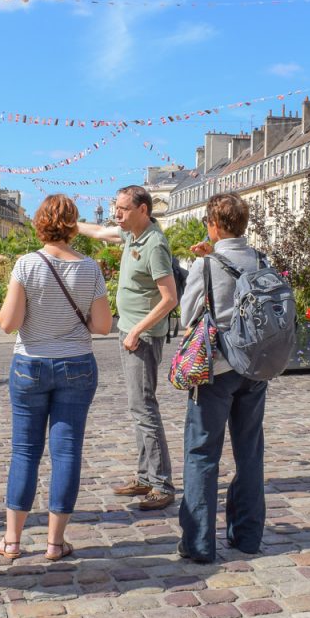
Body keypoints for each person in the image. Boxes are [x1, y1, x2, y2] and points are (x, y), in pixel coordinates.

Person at [0, 195, 112, 561]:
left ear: (40, 223)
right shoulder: (90, 268)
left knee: (25, 451)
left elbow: (10, 322)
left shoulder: (27, 265)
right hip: (76, 364)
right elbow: (104, 326)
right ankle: (55, 543)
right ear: (74, 225)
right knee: (67, 451)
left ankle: (12, 541)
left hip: (29, 364)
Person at [176, 193, 269, 564]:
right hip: (255, 368)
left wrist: (200, 263)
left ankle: (199, 541)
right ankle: (247, 535)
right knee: (250, 453)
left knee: (201, 453)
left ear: (213, 225)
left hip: (215, 368)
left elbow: (187, 316)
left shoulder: (206, 265)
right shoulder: (261, 260)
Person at [77, 186, 178, 511]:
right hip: (131, 333)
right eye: (115, 208)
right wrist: (69, 223)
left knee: (144, 407)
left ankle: (162, 484)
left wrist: (136, 330)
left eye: (122, 209)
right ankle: (145, 477)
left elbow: (169, 299)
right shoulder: (132, 236)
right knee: (137, 408)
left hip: (143, 338)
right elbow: (98, 232)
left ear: (143, 210)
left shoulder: (154, 244)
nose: (116, 214)